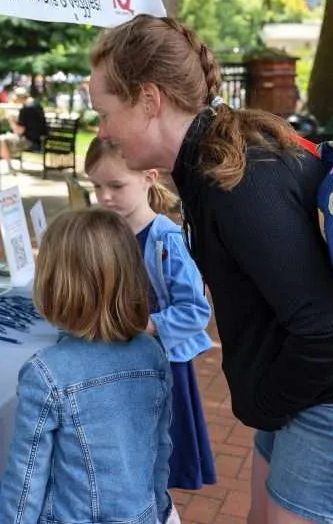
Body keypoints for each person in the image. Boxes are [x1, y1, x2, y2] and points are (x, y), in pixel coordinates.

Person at [88, 15, 333, 524]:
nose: (103, 131)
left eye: (105, 112)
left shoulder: (237, 179)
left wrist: (261, 407)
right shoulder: (213, 161)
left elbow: (328, 331)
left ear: (149, 100)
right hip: (321, 388)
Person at [0, 207, 177, 524]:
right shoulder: (152, 353)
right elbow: (160, 449)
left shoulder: (46, 373)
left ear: (54, 285)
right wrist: (159, 510)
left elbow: (25, 480)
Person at [85, 138, 217, 491]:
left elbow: (195, 312)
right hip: (117, 362)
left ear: (149, 177)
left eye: (116, 185)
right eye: (96, 186)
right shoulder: (106, 233)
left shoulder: (167, 240)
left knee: (160, 461)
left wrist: (145, 325)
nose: (105, 196)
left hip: (163, 368)